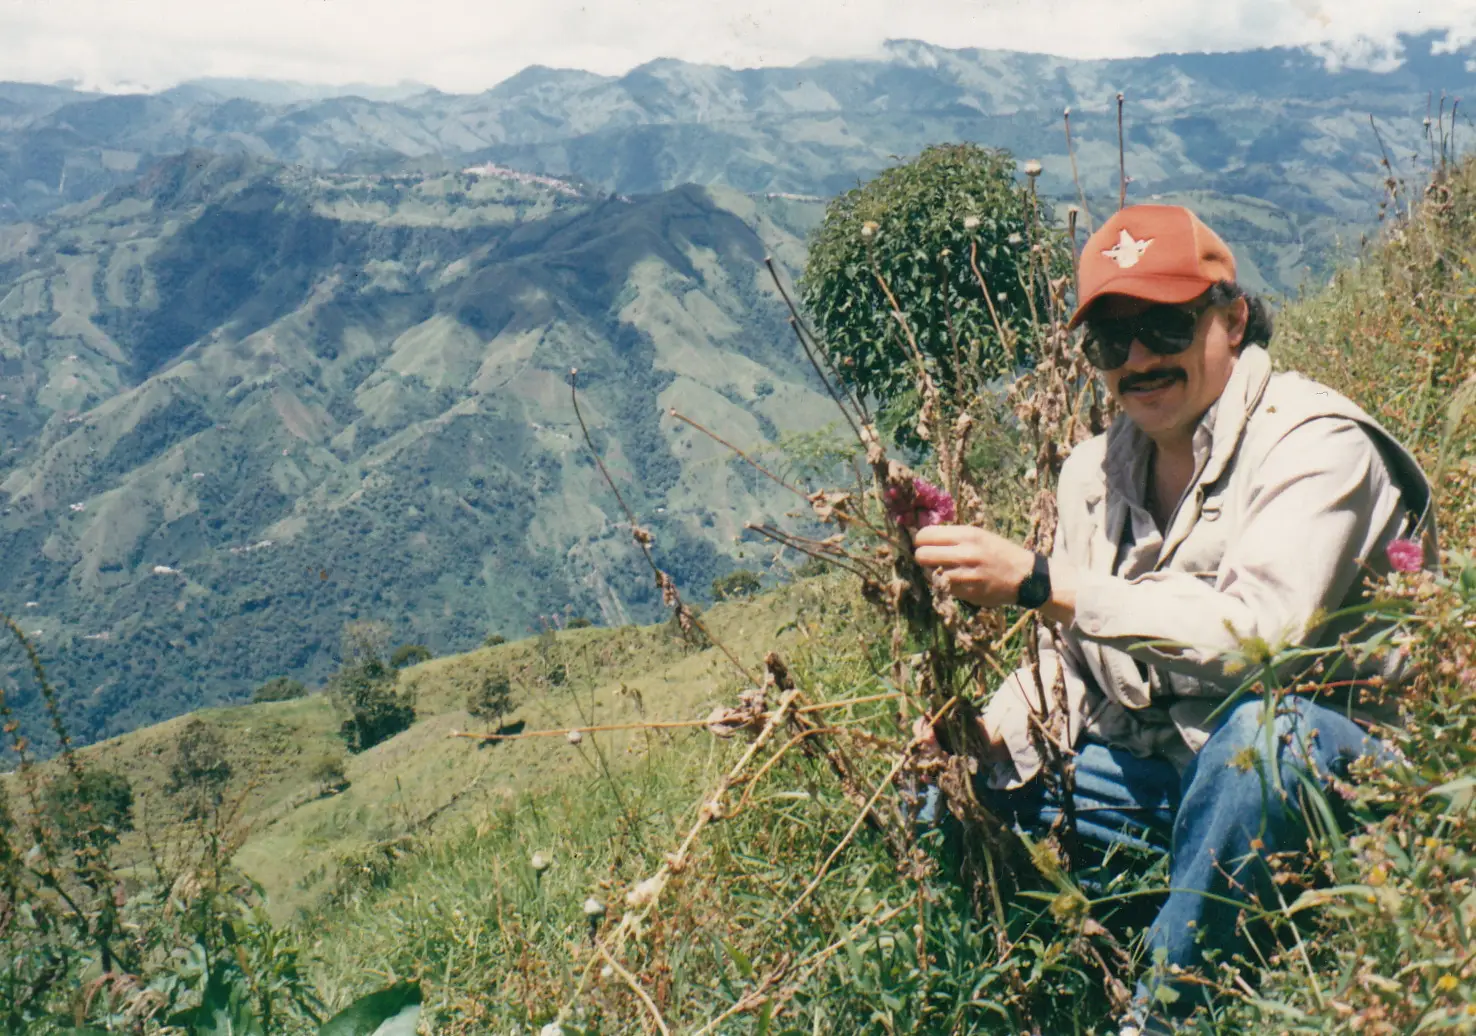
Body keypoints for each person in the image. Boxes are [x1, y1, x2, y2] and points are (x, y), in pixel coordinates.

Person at [910, 204, 1436, 1032]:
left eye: (1164, 326)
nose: (1140, 360)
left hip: (1323, 787)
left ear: (1231, 320)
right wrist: (976, 734)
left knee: (1264, 741)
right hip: (1163, 776)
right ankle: (1014, 984)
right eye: (1111, 343)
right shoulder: (1092, 471)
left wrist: (1047, 581)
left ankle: (1165, 1013)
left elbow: (1258, 637)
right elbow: (1071, 669)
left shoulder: (1317, 445)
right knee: (955, 784)